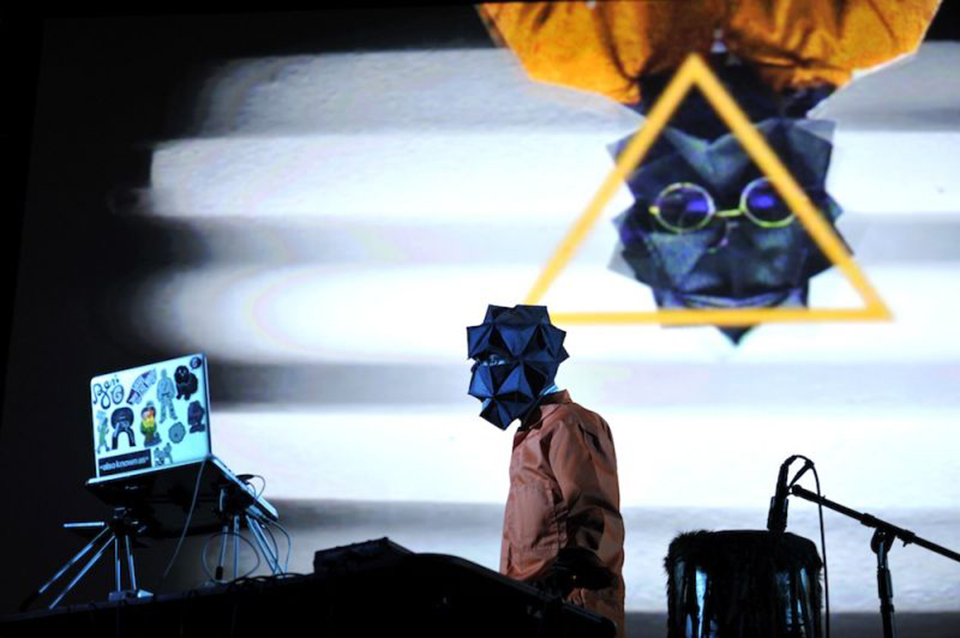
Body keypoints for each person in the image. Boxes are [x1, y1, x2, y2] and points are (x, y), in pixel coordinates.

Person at [467, 304, 625, 635]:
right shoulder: (532, 432)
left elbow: (594, 512)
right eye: (482, 362)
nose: (483, 373)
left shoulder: (569, 423)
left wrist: (569, 576)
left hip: (570, 611)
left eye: (493, 361)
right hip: (530, 606)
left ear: (527, 362)